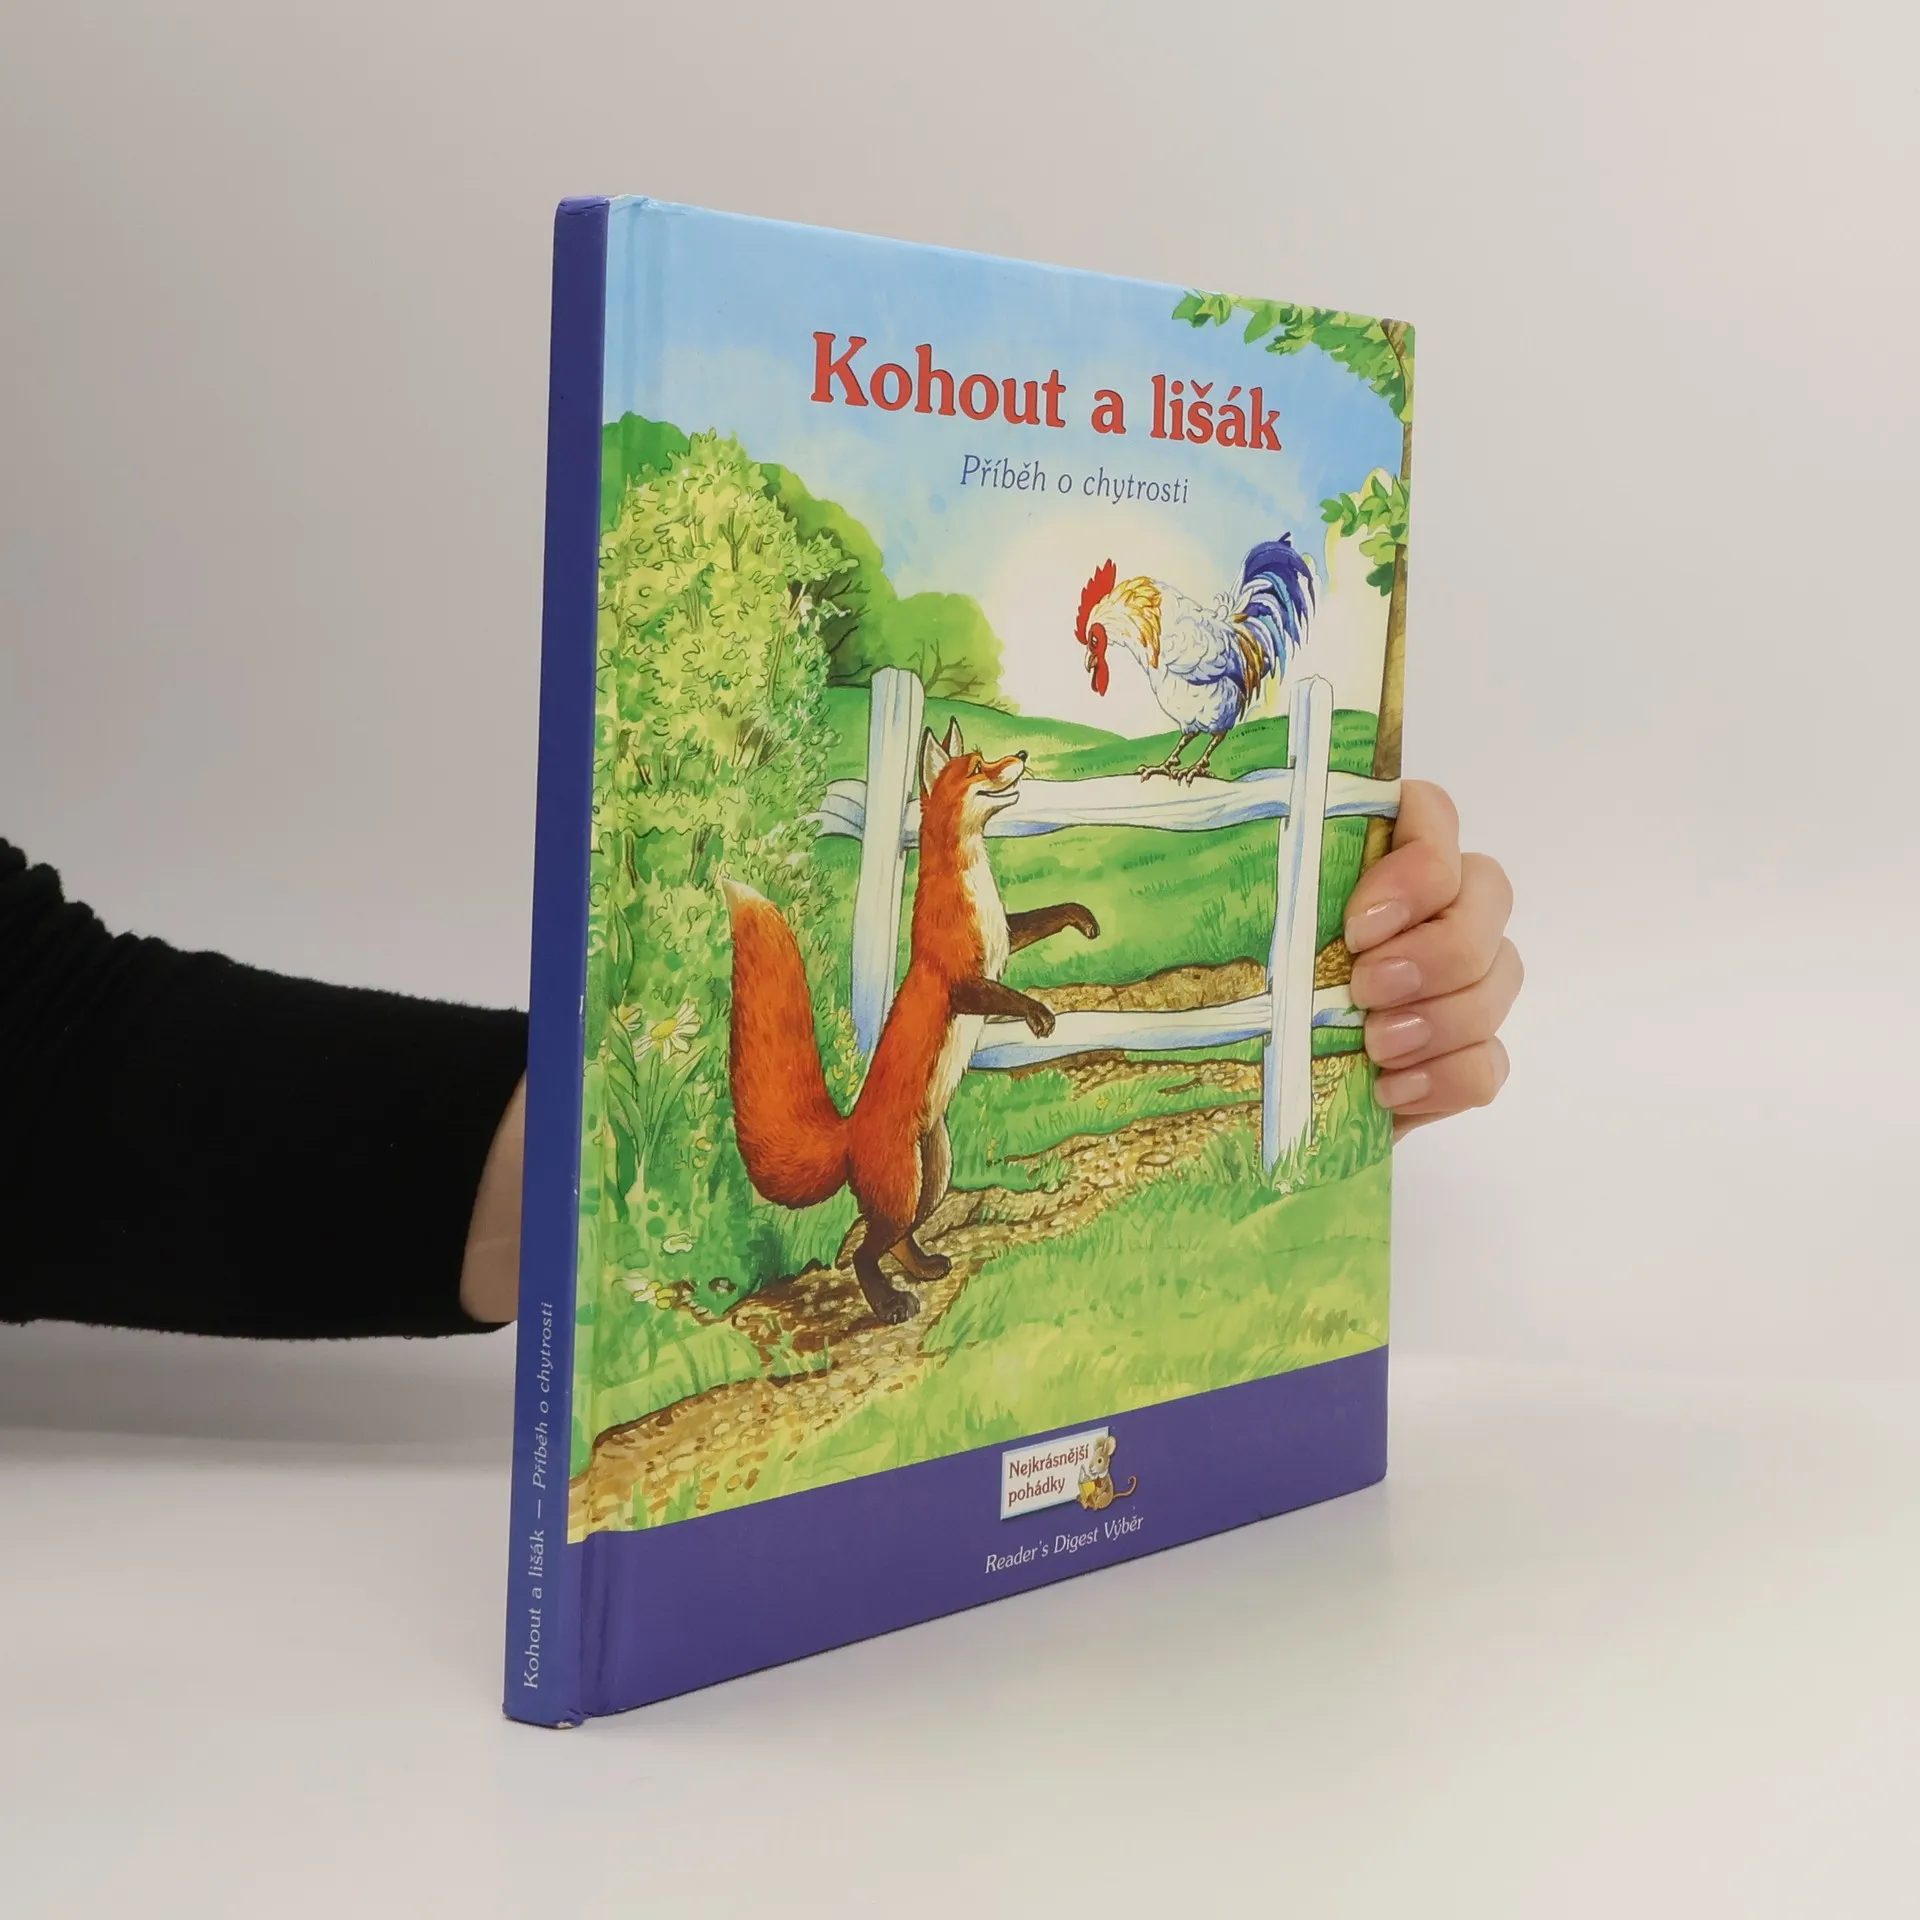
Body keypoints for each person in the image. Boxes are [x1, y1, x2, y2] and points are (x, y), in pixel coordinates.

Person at [0, 781, 1517, 1339]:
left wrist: (1330, 1034)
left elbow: (51, 1072)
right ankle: (874, 1264)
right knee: (894, 1190)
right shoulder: (946, 908)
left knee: (906, 1171)